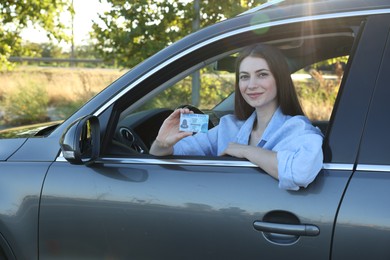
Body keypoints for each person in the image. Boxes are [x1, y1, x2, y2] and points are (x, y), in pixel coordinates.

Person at [150, 44, 323, 190]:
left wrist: (244, 150)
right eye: (244, 77)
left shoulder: (297, 129)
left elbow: (301, 172)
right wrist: (162, 144)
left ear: (280, 79)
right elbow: (175, 155)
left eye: (262, 74)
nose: (252, 85)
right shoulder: (229, 126)